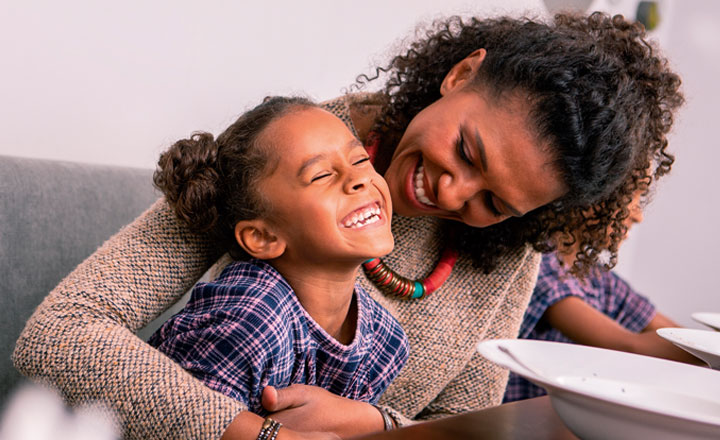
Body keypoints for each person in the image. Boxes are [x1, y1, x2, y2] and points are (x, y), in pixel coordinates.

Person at [13, 12, 684, 440]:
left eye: (495, 202)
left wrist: (370, 420)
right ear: (461, 73)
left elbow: (463, 426)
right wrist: (251, 432)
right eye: (470, 152)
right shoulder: (290, 151)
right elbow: (61, 333)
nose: (454, 192)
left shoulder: (507, 254)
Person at [146, 96, 409, 436]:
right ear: (262, 236)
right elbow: (181, 424)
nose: (358, 180)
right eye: (321, 175)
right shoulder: (249, 316)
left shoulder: (383, 338)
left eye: (360, 159)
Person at [503, 192, 703, 403]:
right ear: (594, 195)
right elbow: (630, 346)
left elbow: (674, 333)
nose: (638, 216)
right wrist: (707, 351)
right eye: (634, 197)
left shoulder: (598, 279)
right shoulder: (540, 265)